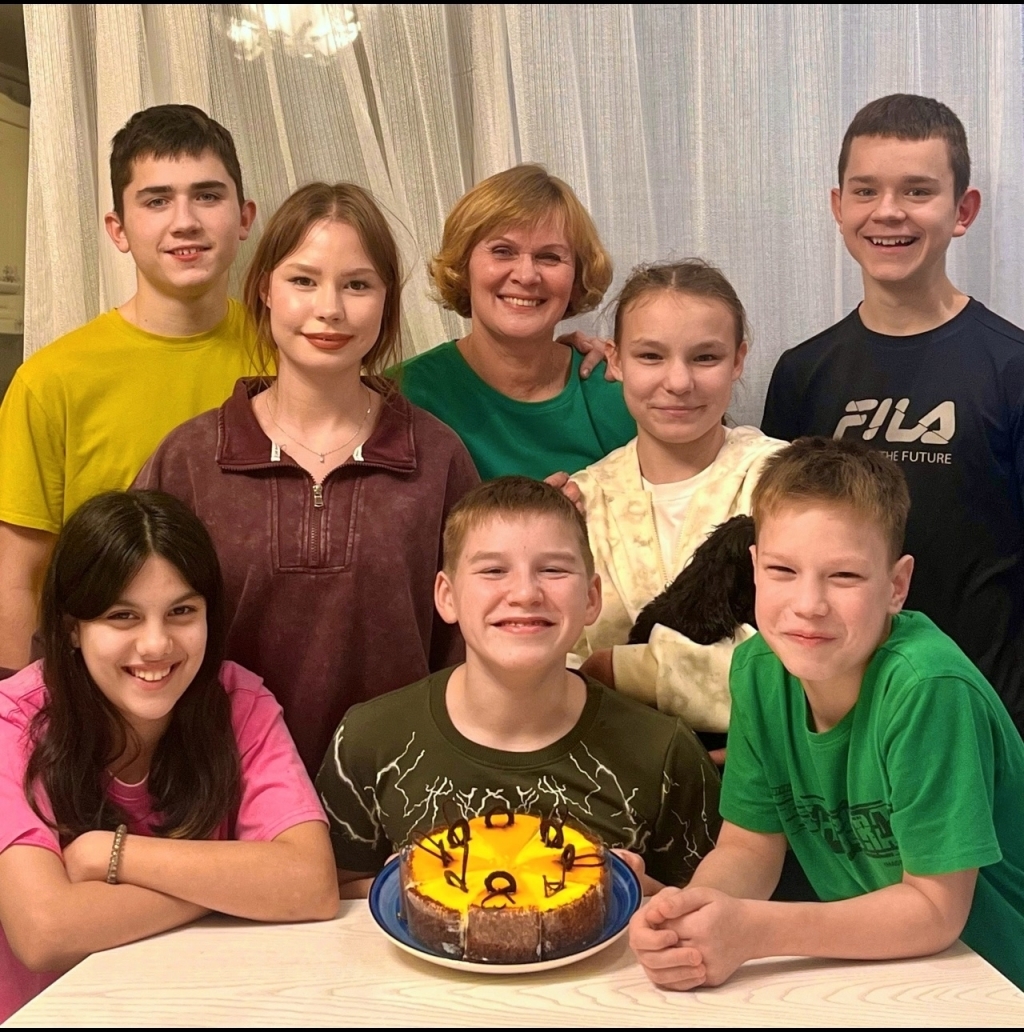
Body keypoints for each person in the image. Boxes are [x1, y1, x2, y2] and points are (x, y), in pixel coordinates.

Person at [629, 438, 1024, 991]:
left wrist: (754, 931)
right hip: (878, 972)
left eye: (844, 577)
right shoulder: (759, 671)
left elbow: (936, 910)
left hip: (992, 980)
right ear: (755, 569)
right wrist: (696, 914)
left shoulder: (928, 688)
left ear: (897, 585)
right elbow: (749, 845)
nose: (809, 604)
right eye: (783, 570)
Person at [135, 182, 479, 776]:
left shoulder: (438, 457)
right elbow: (123, 626)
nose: (331, 308)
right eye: (303, 280)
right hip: (218, 791)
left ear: (387, 301)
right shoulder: (189, 458)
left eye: (357, 284)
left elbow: (470, 649)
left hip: (400, 793)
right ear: (264, 289)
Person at [0, 490, 337, 1022]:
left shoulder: (238, 701)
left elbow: (311, 883)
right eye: (123, 616)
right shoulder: (13, 722)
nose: (156, 644)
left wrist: (108, 854)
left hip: (202, 1007)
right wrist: (233, 890)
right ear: (72, 628)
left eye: (181, 611)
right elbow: (45, 931)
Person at [316, 476, 721, 898]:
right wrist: (392, 888)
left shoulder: (664, 753)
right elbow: (333, 893)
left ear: (591, 597)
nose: (525, 593)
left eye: (553, 570)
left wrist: (636, 891)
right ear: (447, 596)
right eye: (493, 571)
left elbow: (708, 904)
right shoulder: (370, 740)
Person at [760, 93, 1024, 735]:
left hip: (980, 718)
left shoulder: (1012, 369)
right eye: (865, 190)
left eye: (917, 191)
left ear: (963, 210)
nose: (888, 211)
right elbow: (776, 550)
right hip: (834, 721)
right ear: (838, 206)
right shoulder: (802, 374)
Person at [0, 104, 258, 671]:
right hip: (110, 692)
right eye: (156, 200)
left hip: (261, 684)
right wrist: (28, 709)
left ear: (244, 217)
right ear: (118, 229)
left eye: (207, 195)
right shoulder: (51, 381)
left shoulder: (289, 360)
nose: (184, 221)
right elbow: (17, 579)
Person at [567, 261, 784, 748]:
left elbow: (814, 664)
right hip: (611, 773)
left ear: (738, 360)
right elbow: (557, 664)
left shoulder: (788, 486)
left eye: (705, 357)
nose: (679, 381)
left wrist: (623, 670)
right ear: (614, 360)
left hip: (765, 778)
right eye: (650, 356)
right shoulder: (583, 501)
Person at [397, 164, 635, 480]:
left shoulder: (618, 394)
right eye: (503, 251)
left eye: (550, 257)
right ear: (463, 266)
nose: (526, 275)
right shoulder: (402, 397)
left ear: (577, 276)